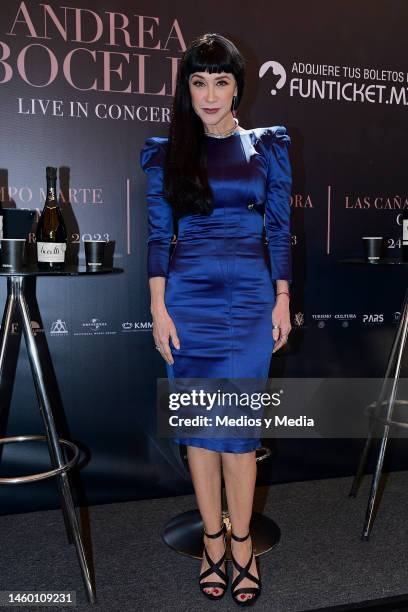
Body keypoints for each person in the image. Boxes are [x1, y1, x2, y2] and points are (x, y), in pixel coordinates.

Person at [140, 32, 292, 606]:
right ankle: (212, 541)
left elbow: (278, 229)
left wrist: (282, 297)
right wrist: (158, 307)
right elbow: (160, 236)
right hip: (189, 297)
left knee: (239, 434)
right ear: (187, 88)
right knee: (201, 433)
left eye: (220, 81)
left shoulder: (268, 147)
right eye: (199, 82)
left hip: (252, 298)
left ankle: (243, 542)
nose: (209, 94)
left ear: (237, 88)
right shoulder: (167, 152)